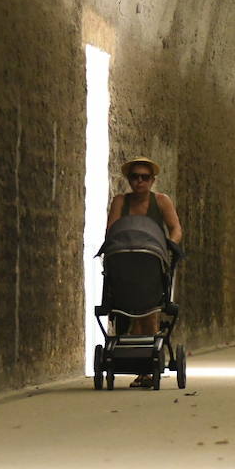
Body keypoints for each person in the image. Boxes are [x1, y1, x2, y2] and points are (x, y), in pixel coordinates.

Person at [104, 157, 183, 386]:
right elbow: (113, 229)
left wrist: (169, 245)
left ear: (152, 180)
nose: (139, 181)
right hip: (126, 262)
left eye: (144, 177)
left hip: (150, 262)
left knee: (149, 313)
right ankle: (136, 362)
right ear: (129, 179)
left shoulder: (161, 202)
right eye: (135, 177)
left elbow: (175, 227)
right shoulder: (120, 201)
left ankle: (147, 368)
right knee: (129, 311)